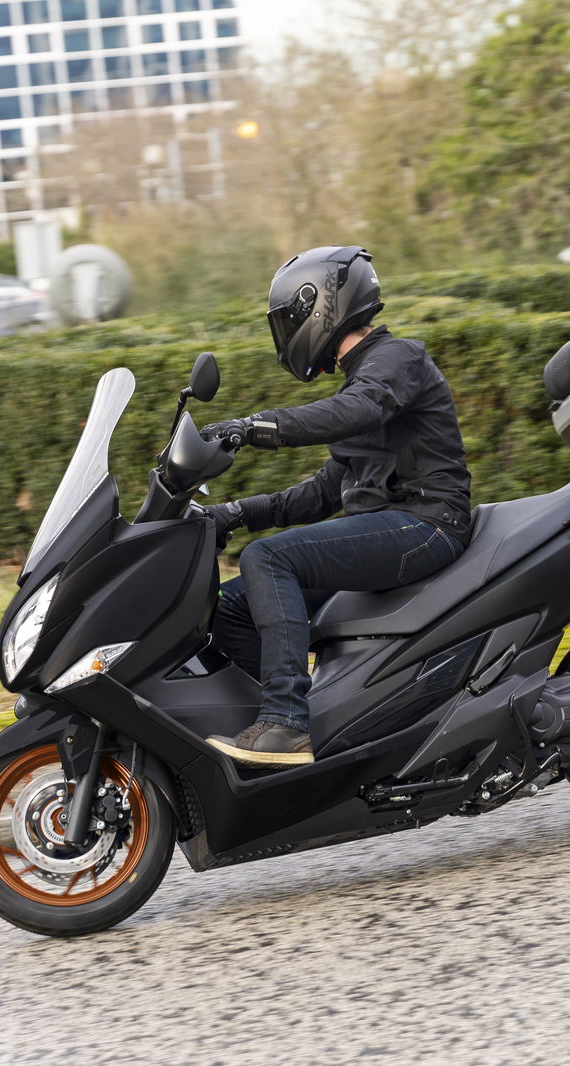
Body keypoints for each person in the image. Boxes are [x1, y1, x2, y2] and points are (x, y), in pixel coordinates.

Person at [199, 245, 472, 766]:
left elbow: (358, 408)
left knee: (268, 558)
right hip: (388, 527)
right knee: (229, 606)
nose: (286, 334)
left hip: (428, 525)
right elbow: (324, 491)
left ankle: (286, 723)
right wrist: (235, 513)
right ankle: (315, 717)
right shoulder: (364, 382)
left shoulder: (396, 361)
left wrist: (258, 425)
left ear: (320, 305)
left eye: (289, 320)